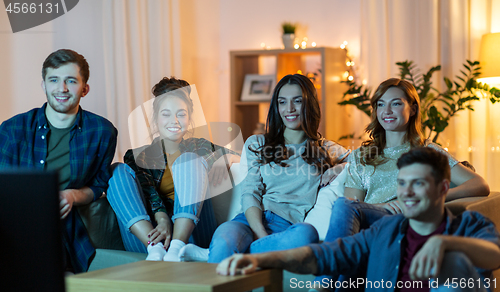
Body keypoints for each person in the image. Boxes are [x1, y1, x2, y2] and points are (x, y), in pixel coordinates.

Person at [217, 147, 500, 292]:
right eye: (402, 184)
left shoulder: (469, 226)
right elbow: (324, 254)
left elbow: (494, 256)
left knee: (454, 262)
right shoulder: (386, 230)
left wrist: (446, 243)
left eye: (418, 184)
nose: (407, 193)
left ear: (443, 188)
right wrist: (259, 260)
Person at [314, 78, 490, 290]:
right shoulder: (362, 155)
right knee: (343, 206)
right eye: (380, 104)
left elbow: (479, 184)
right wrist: (383, 206)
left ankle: (323, 284)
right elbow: (352, 204)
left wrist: (430, 199)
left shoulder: (428, 151)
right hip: (372, 222)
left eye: (396, 103)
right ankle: (329, 281)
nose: (387, 110)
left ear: (413, 108)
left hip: (401, 221)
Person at [203, 74, 350, 263]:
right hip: (247, 221)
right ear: (276, 106)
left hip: (286, 228)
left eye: (297, 101)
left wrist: (339, 168)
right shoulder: (257, 143)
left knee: (306, 235)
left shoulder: (325, 149)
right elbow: (250, 192)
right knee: (224, 237)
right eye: (282, 102)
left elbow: (363, 160)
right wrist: (260, 233)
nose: (289, 109)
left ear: (309, 105)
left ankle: (240, 254)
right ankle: (250, 253)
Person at [0, 49, 118, 273]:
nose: (62, 88)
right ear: (44, 85)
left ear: (85, 88)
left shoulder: (102, 132)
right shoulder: (12, 129)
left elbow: (99, 184)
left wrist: (72, 195)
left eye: (70, 81)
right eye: (54, 80)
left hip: (61, 227)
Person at [106, 77, 240, 262]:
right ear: (156, 118)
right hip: (151, 237)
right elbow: (148, 191)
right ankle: (156, 251)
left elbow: (246, 155)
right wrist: (162, 220)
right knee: (116, 170)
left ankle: (176, 247)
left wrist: (226, 157)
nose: (174, 121)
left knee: (188, 159)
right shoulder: (138, 156)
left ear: (189, 118)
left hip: (192, 237)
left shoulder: (200, 147)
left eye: (181, 114)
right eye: (166, 114)